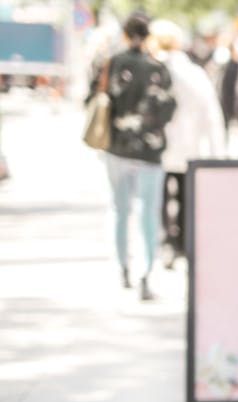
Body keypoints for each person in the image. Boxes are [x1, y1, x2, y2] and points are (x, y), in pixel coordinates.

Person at [88, 12, 177, 300]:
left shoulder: (112, 63)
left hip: (117, 147)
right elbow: (168, 109)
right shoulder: (158, 69)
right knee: (148, 215)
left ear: (125, 34)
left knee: (120, 210)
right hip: (149, 151)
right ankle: (145, 272)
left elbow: (96, 99)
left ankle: (123, 267)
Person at [149, 19, 225, 268]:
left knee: (158, 196)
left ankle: (165, 242)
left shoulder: (152, 69)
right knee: (185, 195)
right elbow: (211, 113)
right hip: (189, 146)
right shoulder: (193, 71)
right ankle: (182, 242)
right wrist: (216, 151)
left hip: (157, 147)